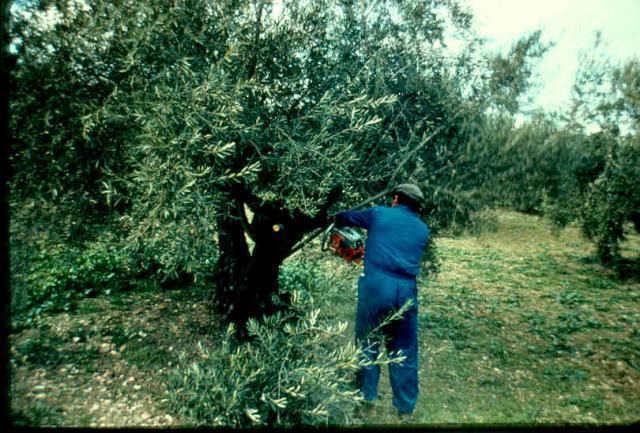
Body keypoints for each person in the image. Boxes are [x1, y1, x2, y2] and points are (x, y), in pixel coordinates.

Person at [333, 183, 429, 418]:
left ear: (396, 198)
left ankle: (366, 402)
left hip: (377, 286)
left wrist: (334, 215)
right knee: (404, 349)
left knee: (367, 342)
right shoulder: (422, 229)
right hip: (406, 289)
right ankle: (405, 410)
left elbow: (346, 218)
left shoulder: (379, 214)